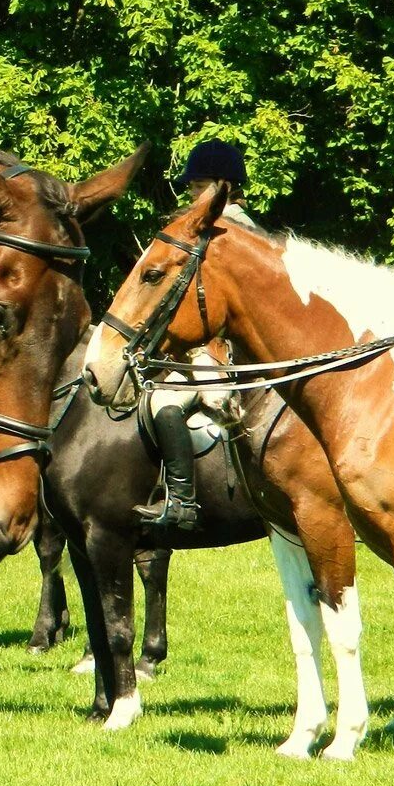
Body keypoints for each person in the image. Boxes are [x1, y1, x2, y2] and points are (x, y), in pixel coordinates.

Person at [135, 140, 252, 531]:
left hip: (224, 351)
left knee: (163, 403)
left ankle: (183, 501)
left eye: (197, 184)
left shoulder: (233, 230)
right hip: (199, 346)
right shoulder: (211, 228)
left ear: (222, 186)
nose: (189, 192)